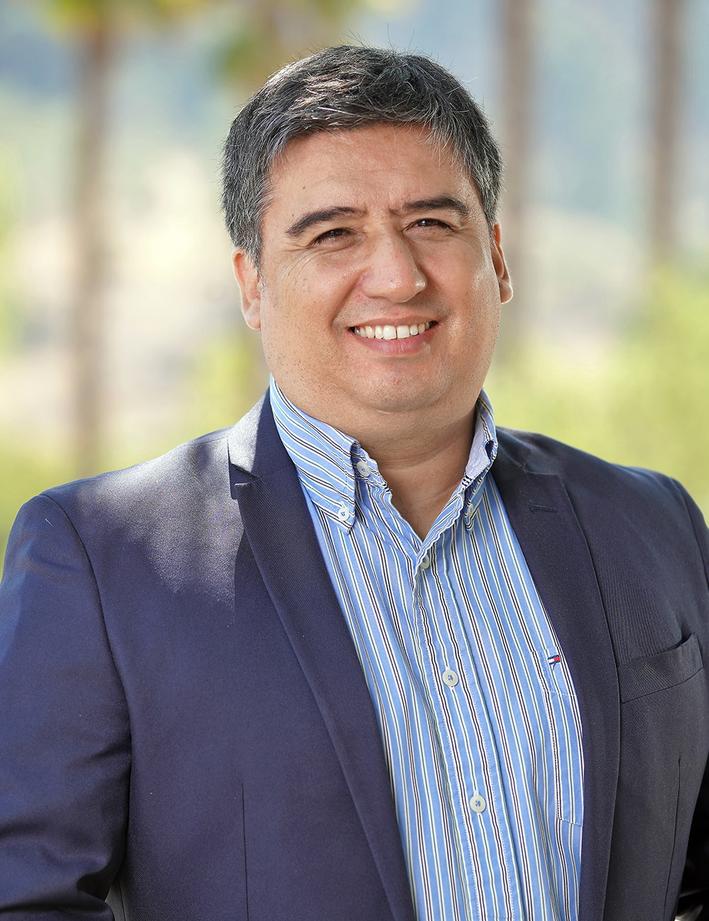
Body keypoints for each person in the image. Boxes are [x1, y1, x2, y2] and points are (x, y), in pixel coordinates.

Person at [0, 44, 707, 921]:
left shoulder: (649, 523)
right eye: (332, 234)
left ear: (496, 256)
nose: (397, 276)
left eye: (431, 223)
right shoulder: (102, 562)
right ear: (252, 283)